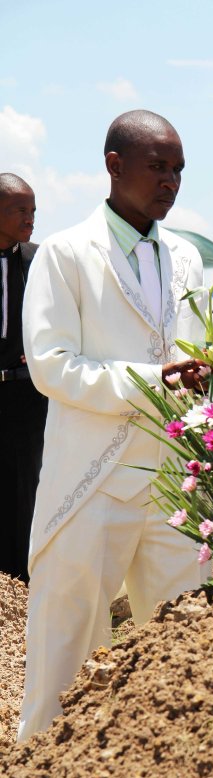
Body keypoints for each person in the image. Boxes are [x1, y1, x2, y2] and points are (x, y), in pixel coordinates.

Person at [19, 110, 213, 741]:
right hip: (91, 481)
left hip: (173, 487)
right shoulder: (65, 253)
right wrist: (152, 380)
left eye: (178, 169)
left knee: (188, 643)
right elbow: (51, 366)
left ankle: (176, 771)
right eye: (157, 166)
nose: (171, 181)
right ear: (114, 165)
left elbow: (201, 351)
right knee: (65, 648)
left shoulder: (185, 256)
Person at [0, 174, 47, 584]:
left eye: (33, 211)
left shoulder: (39, 260)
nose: (30, 219)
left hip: (25, 393)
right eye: (20, 210)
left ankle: (19, 582)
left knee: (24, 487)